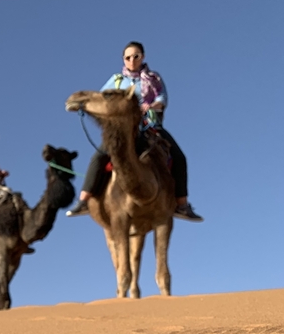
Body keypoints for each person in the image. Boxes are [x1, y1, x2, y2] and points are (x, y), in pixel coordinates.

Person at [67, 41, 203, 221]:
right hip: (123, 130)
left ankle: (182, 204)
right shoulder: (116, 81)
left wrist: (151, 106)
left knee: (179, 157)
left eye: (136, 56)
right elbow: (102, 100)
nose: (132, 60)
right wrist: (84, 105)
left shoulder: (154, 78)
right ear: (123, 59)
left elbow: (162, 98)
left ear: (143, 57)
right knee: (99, 156)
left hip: (150, 126)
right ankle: (84, 200)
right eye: (128, 57)